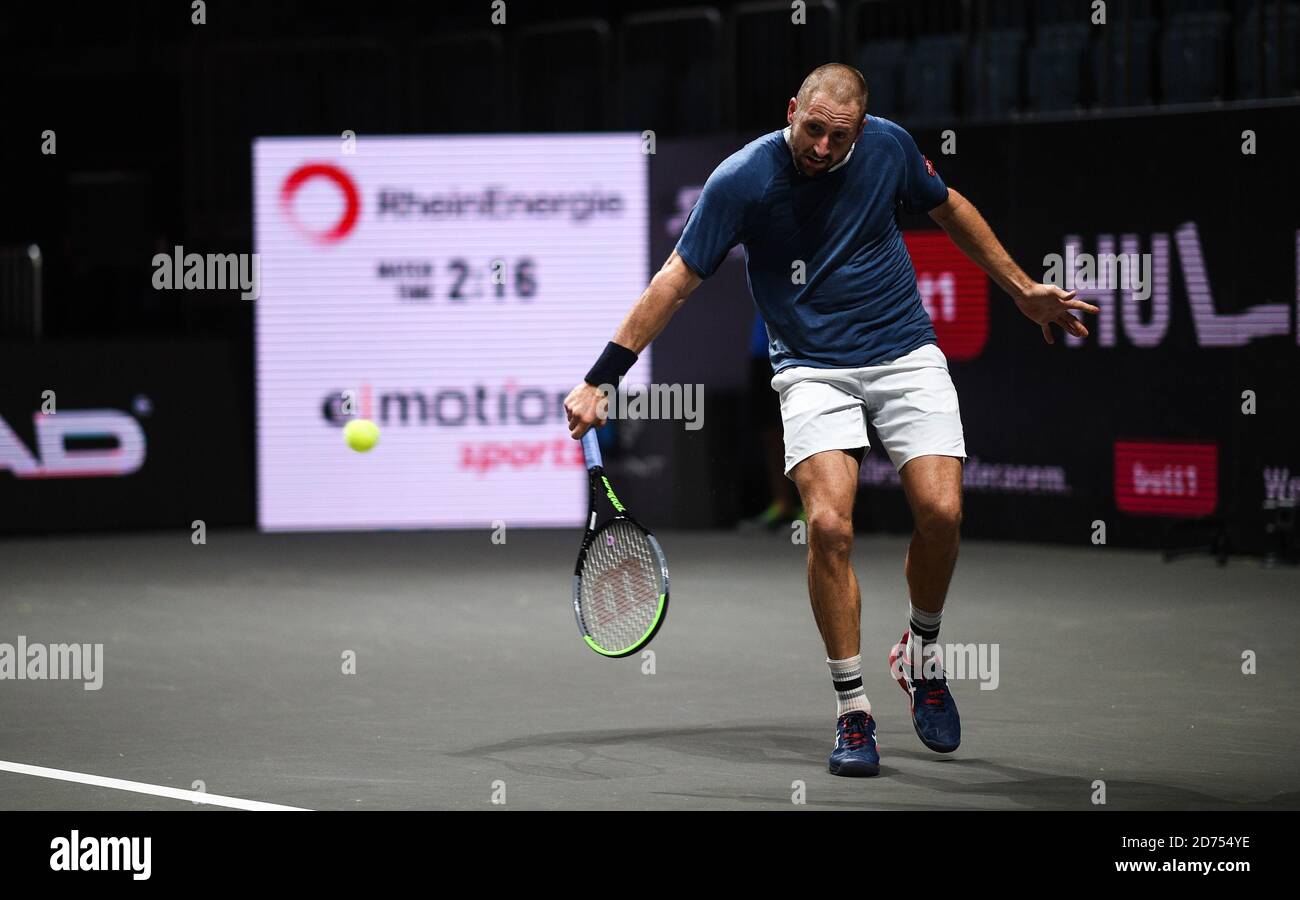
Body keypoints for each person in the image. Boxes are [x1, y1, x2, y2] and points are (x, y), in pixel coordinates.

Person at [564, 63, 1097, 777]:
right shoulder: (741, 179)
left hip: (905, 351)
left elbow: (950, 207)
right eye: (812, 129)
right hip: (811, 367)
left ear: (860, 129)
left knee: (941, 513)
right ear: (793, 109)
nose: (821, 147)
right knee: (828, 525)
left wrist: (1023, 289)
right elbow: (676, 280)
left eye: (837, 136)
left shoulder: (889, 148)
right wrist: (604, 375)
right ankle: (853, 710)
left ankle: (922, 654)